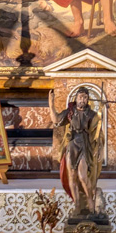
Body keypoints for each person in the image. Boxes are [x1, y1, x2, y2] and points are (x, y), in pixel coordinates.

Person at [48, 86, 103, 214]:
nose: (82, 100)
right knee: (72, 176)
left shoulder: (92, 114)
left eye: (85, 97)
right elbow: (56, 119)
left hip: (84, 145)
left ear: (88, 100)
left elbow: (98, 133)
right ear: (76, 98)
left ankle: (90, 203)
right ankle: (77, 205)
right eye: (80, 97)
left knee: (83, 176)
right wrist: (51, 103)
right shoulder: (70, 112)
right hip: (72, 145)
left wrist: (100, 148)